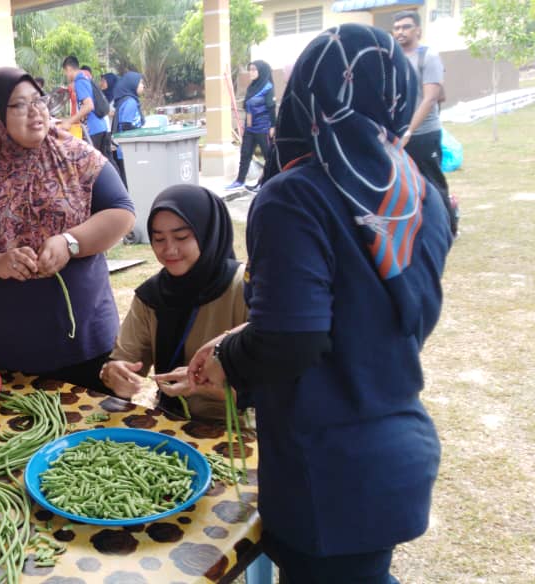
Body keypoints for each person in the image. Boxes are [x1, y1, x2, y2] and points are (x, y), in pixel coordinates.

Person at [172, 24, 453, 582]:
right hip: (394, 456)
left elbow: (292, 339)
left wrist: (231, 360)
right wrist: (235, 343)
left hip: (326, 473)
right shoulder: (419, 191)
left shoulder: (295, 194)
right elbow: (366, 323)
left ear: (304, 95)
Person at [0, 67, 135, 391]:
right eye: (19, 105)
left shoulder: (75, 157)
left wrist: (71, 242)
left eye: (38, 101)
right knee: (23, 436)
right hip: (8, 352)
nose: (36, 112)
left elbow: (121, 212)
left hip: (87, 342)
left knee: (90, 434)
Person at [102, 185, 246, 419]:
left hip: (237, 430)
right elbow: (124, 359)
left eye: (181, 237)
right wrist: (113, 373)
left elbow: (276, 386)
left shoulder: (243, 288)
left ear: (208, 233)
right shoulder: (152, 295)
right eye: (158, 239)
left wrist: (214, 389)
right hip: (170, 420)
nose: (169, 249)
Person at [393, 9, 458, 237]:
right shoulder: (394, 58)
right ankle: (416, 228)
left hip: (423, 133)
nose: (401, 32)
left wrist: (410, 130)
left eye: (406, 27)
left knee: (432, 182)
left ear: (418, 30)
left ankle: (449, 228)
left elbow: (432, 98)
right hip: (399, 134)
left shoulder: (428, 56)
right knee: (404, 184)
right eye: (397, 27)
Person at [227, 60, 276, 191]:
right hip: (250, 128)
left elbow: (271, 107)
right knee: (245, 154)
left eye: (254, 69)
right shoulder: (252, 87)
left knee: (268, 156)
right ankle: (239, 181)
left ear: (261, 71)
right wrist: (245, 126)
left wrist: (273, 126)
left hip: (263, 128)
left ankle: (269, 183)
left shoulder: (267, 87)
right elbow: (248, 108)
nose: (251, 72)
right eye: (250, 69)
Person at [59, 56, 114, 164]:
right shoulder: (86, 78)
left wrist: (69, 121)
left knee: (94, 166)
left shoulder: (79, 81)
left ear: (69, 69)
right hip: (101, 127)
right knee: (106, 164)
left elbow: (89, 106)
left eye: (65, 72)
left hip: (94, 130)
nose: (66, 75)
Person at [111, 71, 145, 186]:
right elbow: (126, 126)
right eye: (140, 83)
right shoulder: (130, 102)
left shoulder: (127, 100)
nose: (143, 86)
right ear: (132, 84)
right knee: (131, 185)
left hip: (126, 151)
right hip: (129, 151)